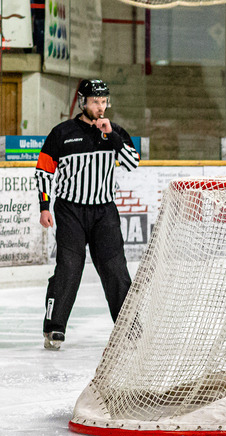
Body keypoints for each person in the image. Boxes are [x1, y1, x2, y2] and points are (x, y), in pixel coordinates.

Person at [35, 79, 139, 351]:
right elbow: (44, 170)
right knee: (69, 268)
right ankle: (54, 328)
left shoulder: (115, 131)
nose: (100, 107)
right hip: (70, 211)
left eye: (104, 101)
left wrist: (112, 136)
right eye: (95, 101)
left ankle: (129, 329)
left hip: (104, 212)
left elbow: (132, 163)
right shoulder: (63, 133)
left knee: (116, 270)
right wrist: (44, 206)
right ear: (83, 102)